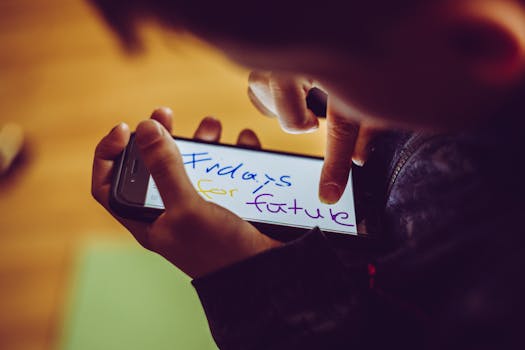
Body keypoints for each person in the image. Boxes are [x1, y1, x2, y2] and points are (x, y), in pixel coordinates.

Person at [90, 0, 525, 348]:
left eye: (322, 77)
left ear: (480, 45)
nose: (282, 85)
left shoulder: (504, 293)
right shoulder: (452, 71)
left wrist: (252, 280)